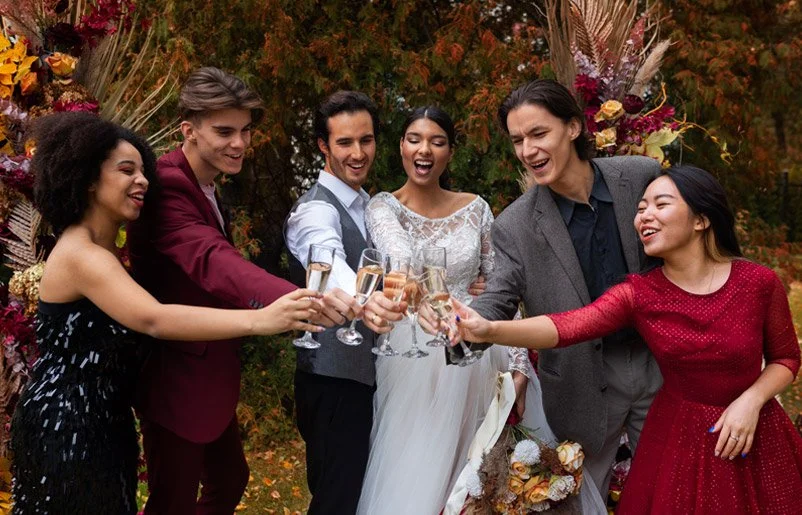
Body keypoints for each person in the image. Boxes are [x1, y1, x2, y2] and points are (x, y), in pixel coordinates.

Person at [10, 112, 335, 514]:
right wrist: (261, 319)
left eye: (142, 171)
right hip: (68, 422)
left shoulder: (106, 251)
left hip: (104, 418)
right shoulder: (82, 254)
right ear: (88, 178)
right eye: (126, 170)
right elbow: (154, 318)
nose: (143, 180)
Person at [451, 165, 802, 513]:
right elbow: (566, 327)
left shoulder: (758, 283)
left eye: (661, 204)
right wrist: (489, 329)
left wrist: (751, 401)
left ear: (701, 219)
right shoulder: (640, 294)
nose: (644, 216)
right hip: (678, 441)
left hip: (755, 434)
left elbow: (786, 359)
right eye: (640, 208)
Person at [127, 68, 357, 514]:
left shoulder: (204, 183)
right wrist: (302, 299)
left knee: (229, 480)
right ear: (188, 131)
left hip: (208, 371)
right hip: (174, 373)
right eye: (225, 132)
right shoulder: (168, 185)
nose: (240, 143)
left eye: (246, 130)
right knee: (173, 501)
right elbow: (214, 261)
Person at [421, 79, 663, 497]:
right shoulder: (514, 226)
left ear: (573, 127)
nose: (527, 150)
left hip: (659, 364)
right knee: (582, 499)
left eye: (538, 134)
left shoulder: (641, 176)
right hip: (581, 382)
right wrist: (463, 323)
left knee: (672, 491)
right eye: (517, 140)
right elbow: (497, 299)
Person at [354, 106, 534, 514]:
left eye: (437, 142)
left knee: (484, 475)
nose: (425, 150)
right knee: (420, 472)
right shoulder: (383, 206)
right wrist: (422, 295)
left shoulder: (476, 208)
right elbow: (398, 259)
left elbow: (503, 287)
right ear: (401, 147)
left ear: (450, 152)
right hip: (414, 356)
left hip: (481, 350)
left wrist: (520, 363)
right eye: (415, 139)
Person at [284, 90, 381, 514]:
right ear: (323, 146)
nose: (358, 153)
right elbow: (326, 260)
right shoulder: (313, 211)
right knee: (336, 503)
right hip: (333, 382)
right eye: (344, 142)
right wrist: (363, 301)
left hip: (372, 379)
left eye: (366, 140)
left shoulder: (371, 205)